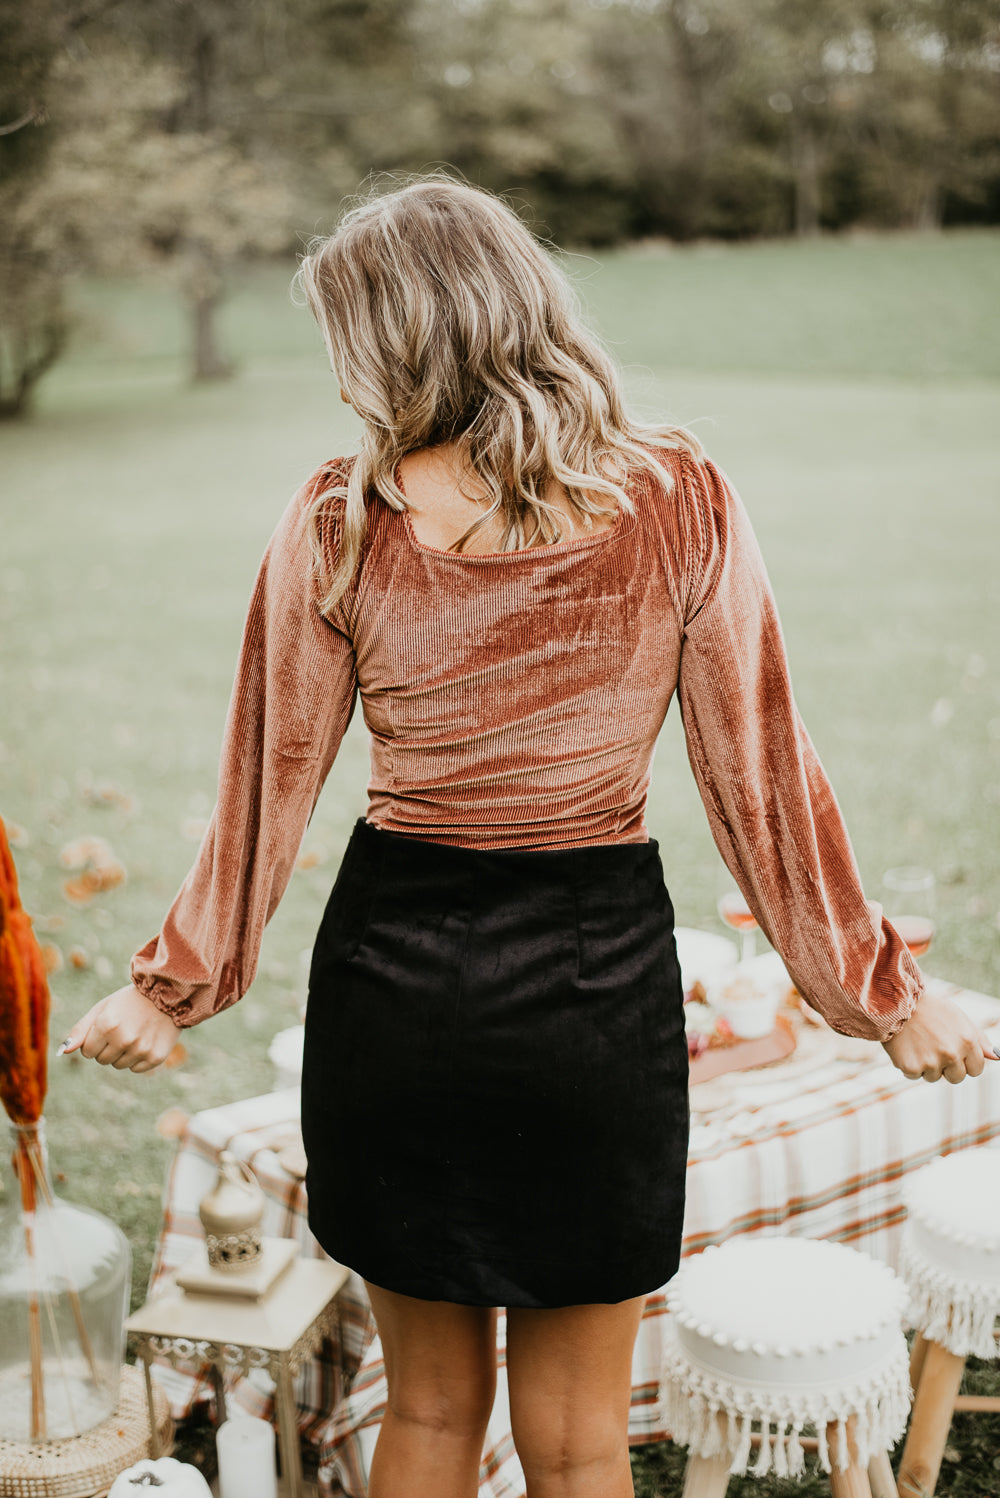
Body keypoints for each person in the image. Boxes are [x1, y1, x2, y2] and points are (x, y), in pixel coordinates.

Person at [62, 176, 995, 1498]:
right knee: (578, 1446)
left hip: (398, 995)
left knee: (430, 1417)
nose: (342, 379)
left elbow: (267, 775)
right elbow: (764, 779)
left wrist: (172, 989)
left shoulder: (339, 517)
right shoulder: (677, 496)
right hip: (592, 994)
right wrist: (883, 995)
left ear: (392, 342)